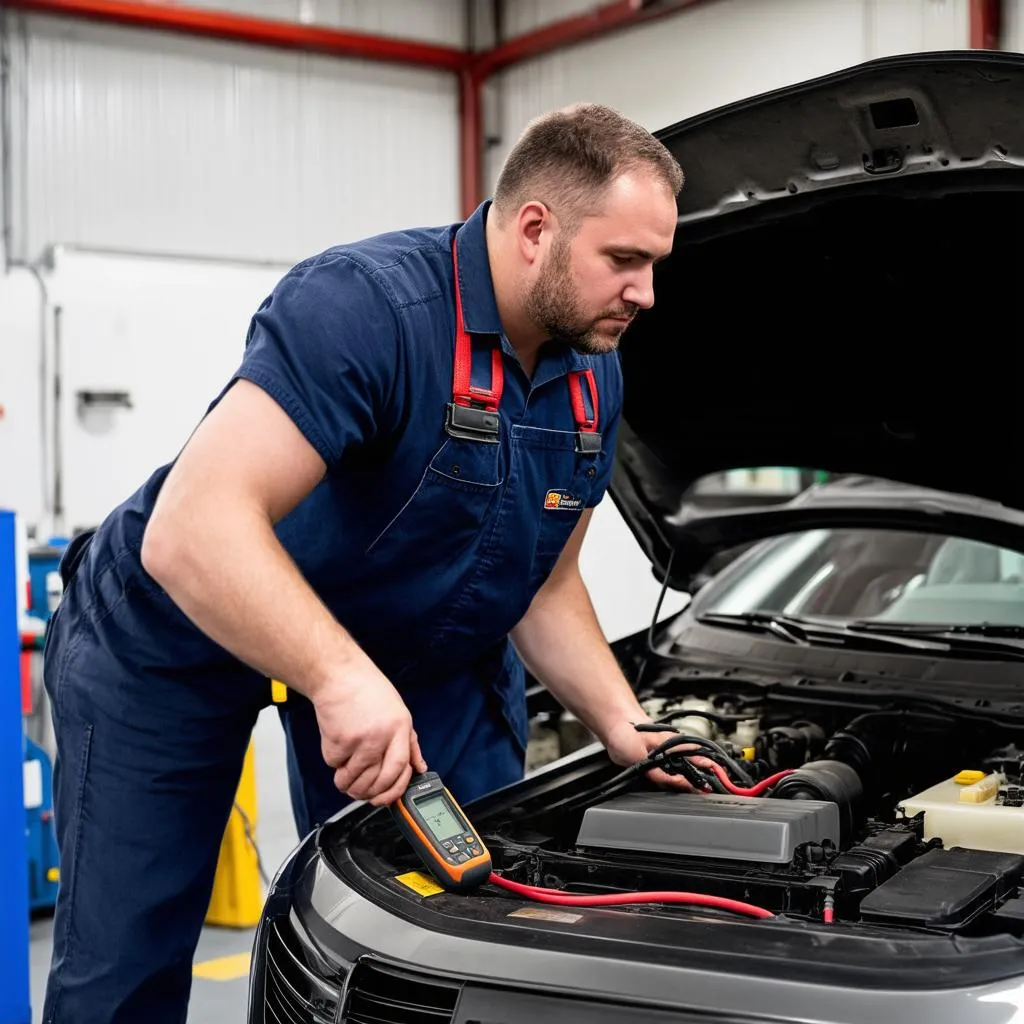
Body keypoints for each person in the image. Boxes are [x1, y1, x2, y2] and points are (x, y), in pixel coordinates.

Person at [41, 102, 685, 1023]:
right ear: (536, 229)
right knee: (125, 970)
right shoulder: (367, 308)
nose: (645, 292)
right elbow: (194, 528)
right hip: (173, 634)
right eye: (625, 260)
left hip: (410, 651)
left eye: (655, 264)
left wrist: (626, 723)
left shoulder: (593, 370)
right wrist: (339, 677)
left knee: (466, 935)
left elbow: (545, 586)